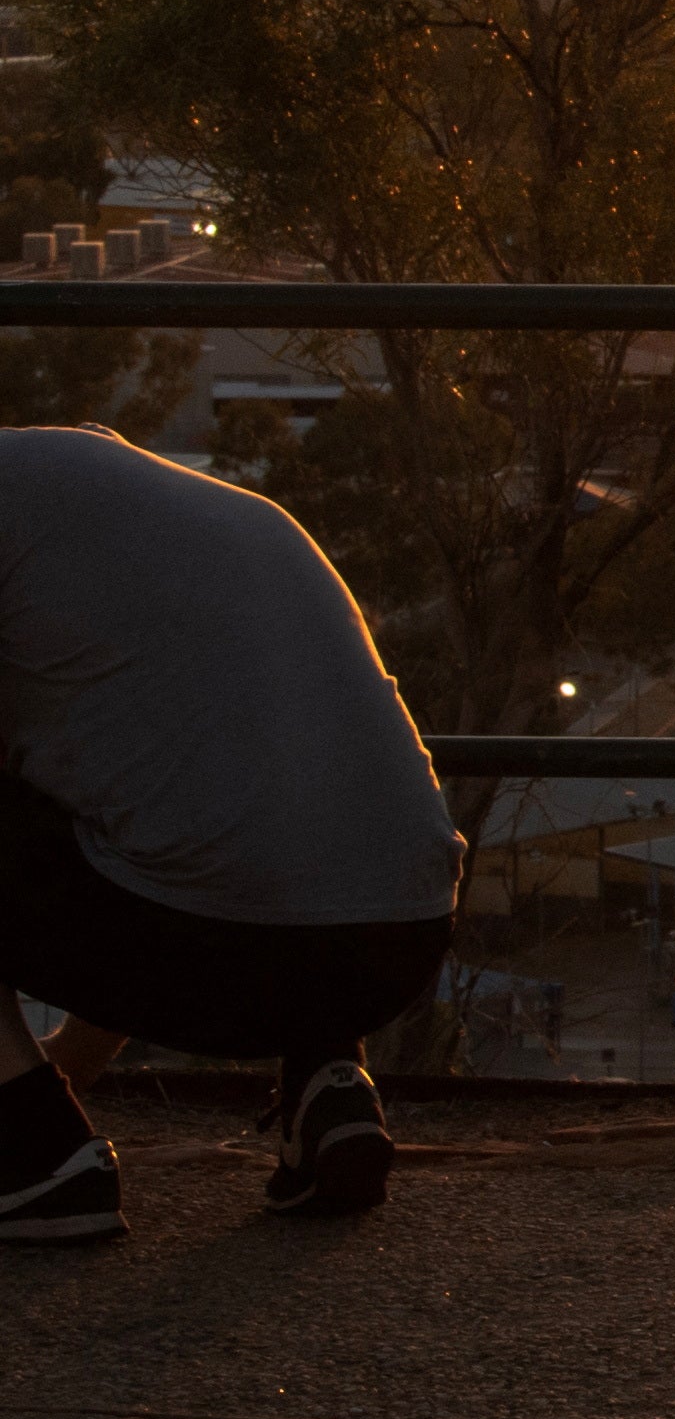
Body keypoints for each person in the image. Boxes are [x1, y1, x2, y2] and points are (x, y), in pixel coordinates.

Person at [0, 425, 460, 1241]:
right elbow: (163, 826)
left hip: (213, 940)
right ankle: (329, 1084)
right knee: (230, 813)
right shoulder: (213, 511)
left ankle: (29, 1154)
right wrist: (63, 1068)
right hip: (400, 940)